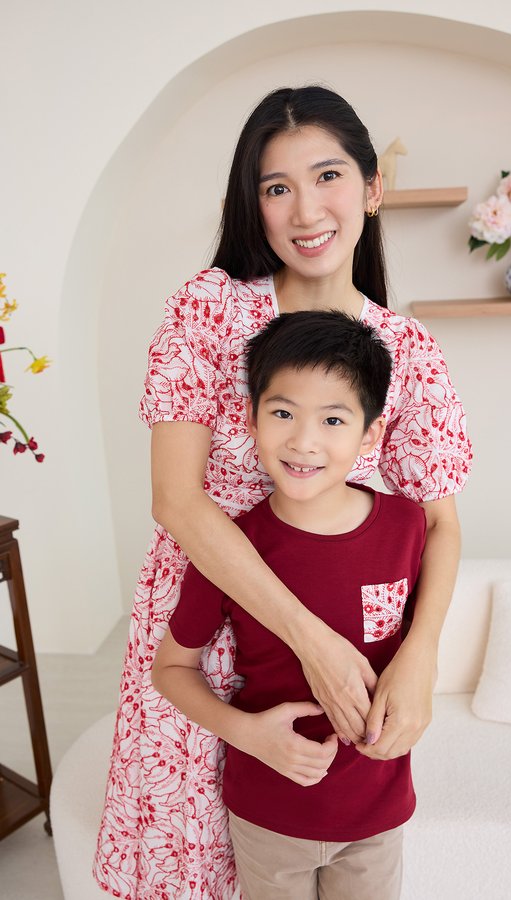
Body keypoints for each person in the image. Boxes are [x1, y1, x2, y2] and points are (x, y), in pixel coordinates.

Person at [93, 85, 472, 900]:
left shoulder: (409, 350)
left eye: (328, 175)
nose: (306, 209)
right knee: (196, 867)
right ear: (254, 205)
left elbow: (437, 522)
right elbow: (178, 501)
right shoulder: (208, 309)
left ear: (373, 188)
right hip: (212, 618)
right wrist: (314, 644)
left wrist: (420, 656)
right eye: (276, 187)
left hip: (332, 643)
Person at [152, 310, 427, 900]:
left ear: (371, 435)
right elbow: (171, 668)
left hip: (376, 817)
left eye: (333, 419)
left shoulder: (406, 527)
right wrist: (246, 734)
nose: (303, 441)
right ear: (251, 420)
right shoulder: (230, 548)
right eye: (282, 413)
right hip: (267, 814)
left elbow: (420, 645)